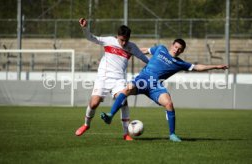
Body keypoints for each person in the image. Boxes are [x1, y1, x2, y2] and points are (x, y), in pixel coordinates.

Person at [100, 38, 228, 142]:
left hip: (156, 86)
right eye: (176, 47)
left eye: (180, 49)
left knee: (169, 104)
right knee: (126, 90)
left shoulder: (180, 63)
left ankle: (172, 134)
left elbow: (197, 67)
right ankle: (111, 115)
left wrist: (215, 66)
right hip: (143, 79)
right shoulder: (160, 49)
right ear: (172, 45)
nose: (177, 50)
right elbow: (144, 50)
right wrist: (129, 52)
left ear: (182, 51)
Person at [75, 18, 149, 141]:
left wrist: (156, 67)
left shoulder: (132, 47)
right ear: (117, 36)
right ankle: (86, 125)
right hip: (103, 78)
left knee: (123, 101)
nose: (124, 43)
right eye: (122, 40)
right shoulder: (109, 40)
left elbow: (144, 58)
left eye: (126, 40)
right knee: (94, 103)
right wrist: (85, 28)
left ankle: (126, 134)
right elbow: (90, 37)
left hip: (119, 80)